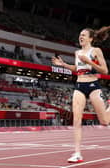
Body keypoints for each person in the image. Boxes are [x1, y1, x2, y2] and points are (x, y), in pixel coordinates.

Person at [52, 26, 110, 163]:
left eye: (84, 35)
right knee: (76, 120)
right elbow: (77, 68)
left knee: (105, 121)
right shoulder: (77, 52)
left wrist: (89, 61)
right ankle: (77, 153)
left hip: (93, 85)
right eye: (80, 35)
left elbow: (105, 71)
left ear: (91, 38)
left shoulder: (96, 51)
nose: (81, 37)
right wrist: (63, 64)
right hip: (79, 86)